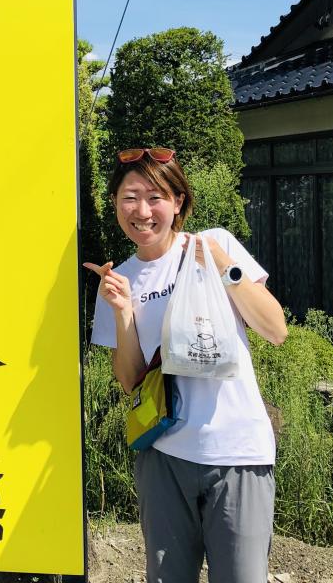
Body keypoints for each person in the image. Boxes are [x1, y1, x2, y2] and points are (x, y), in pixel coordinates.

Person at [84, 146, 287, 583]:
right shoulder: (118, 280)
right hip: (164, 456)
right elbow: (131, 381)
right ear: (115, 204)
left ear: (178, 202)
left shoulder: (216, 244)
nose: (142, 211)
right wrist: (122, 312)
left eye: (155, 197)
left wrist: (222, 265)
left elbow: (275, 329)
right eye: (129, 198)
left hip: (238, 452)